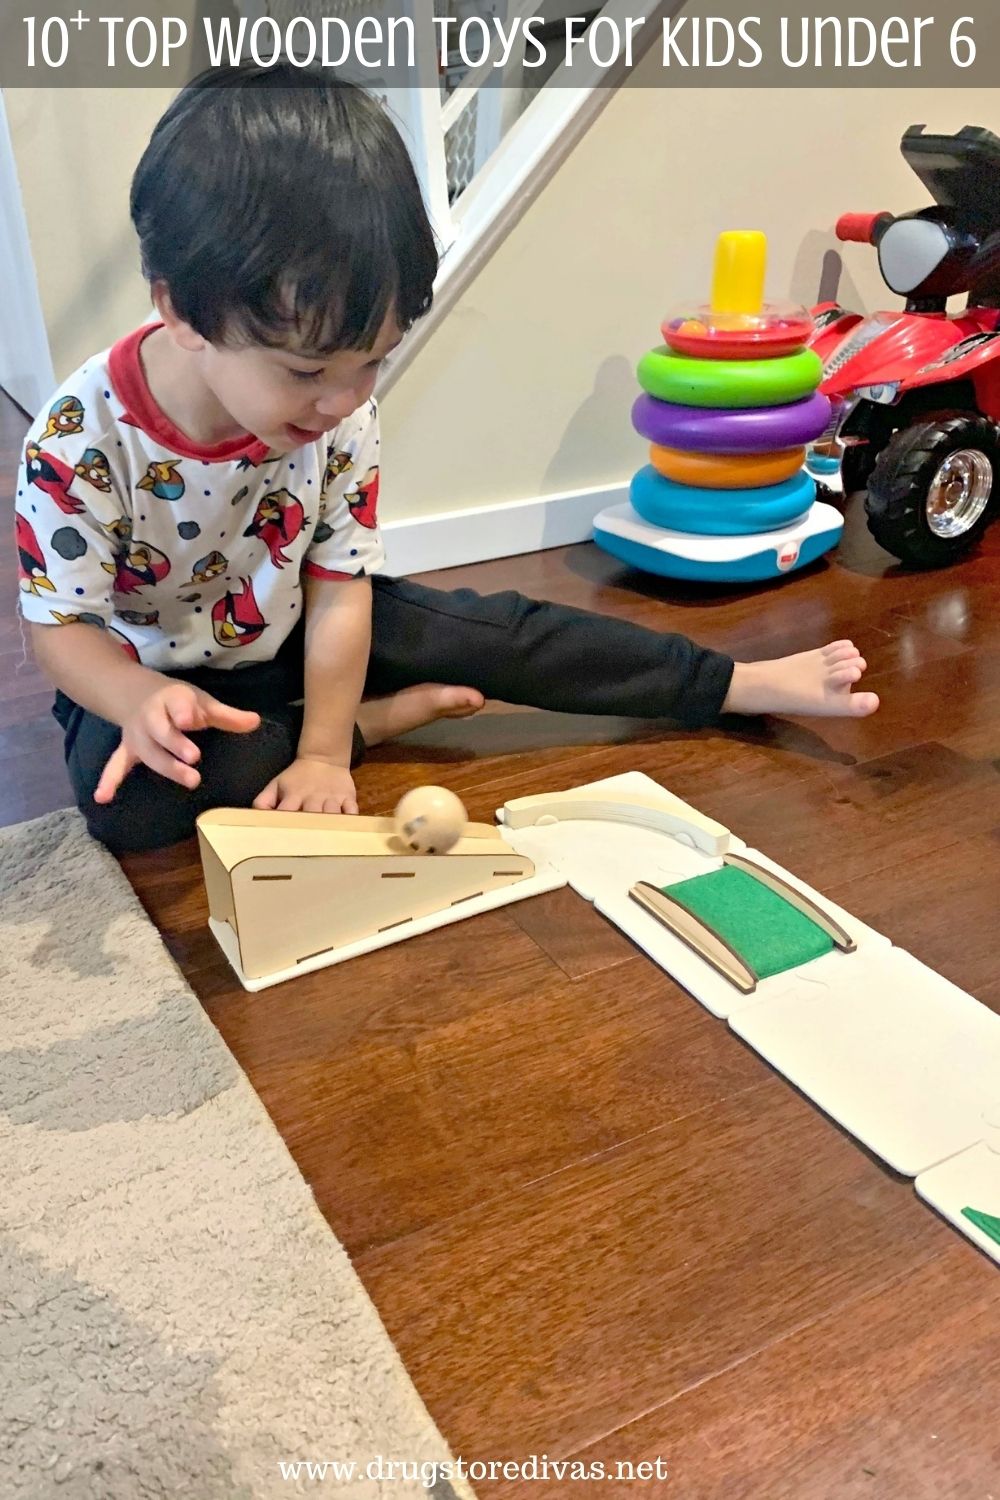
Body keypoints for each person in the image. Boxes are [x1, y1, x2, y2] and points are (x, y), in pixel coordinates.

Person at [13, 62, 878, 856]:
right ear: (182, 312)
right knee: (131, 808)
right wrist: (136, 704)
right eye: (308, 371)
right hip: (149, 670)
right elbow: (61, 627)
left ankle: (733, 684)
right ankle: (373, 723)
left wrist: (319, 757)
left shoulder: (336, 408)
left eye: (374, 361)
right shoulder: (78, 439)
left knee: (505, 635)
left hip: (306, 623)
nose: (344, 401)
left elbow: (341, 586)